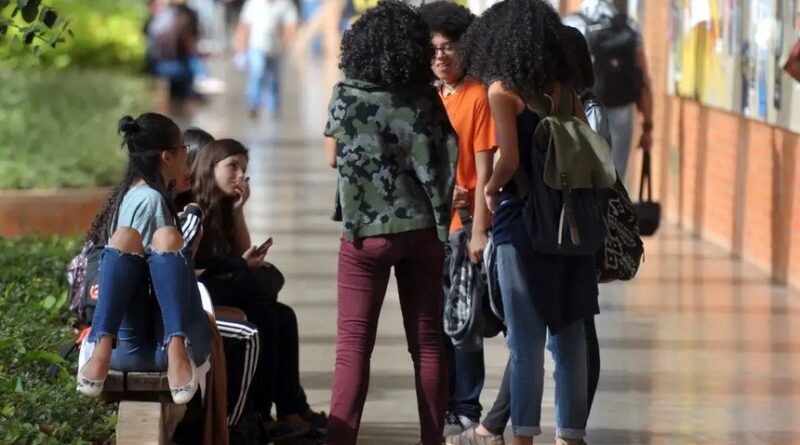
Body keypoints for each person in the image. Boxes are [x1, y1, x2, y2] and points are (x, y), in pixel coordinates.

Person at [446, 24, 606, 445]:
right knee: (571, 337)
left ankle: (523, 438)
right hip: (570, 225)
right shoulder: (563, 90)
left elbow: (511, 159)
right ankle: (570, 436)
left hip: (523, 226)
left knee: (526, 344)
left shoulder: (502, 90)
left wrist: (490, 187)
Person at [322, 1, 458, 443]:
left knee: (354, 346)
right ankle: (432, 438)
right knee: (427, 343)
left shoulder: (346, 95)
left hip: (366, 235)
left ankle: (340, 439)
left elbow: (332, 158)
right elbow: (444, 157)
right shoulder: (426, 98)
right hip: (422, 230)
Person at [190, 139, 327, 442]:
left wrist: (239, 211)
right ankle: (261, 415)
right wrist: (238, 266)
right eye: (232, 167)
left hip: (222, 289)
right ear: (209, 168)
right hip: (201, 296)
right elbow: (188, 269)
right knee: (264, 317)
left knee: (284, 316)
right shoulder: (193, 210)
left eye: (244, 169)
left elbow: (241, 252)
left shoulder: (224, 208)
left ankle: (291, 409)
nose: (240, 175)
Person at [76, 113, 212, 407]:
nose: (186, 159)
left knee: (129, 238)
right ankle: (175, 347)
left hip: (126, 348)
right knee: (166, 240)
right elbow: (154, 280)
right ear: (167, 156)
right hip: (156, 340)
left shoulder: (129, 194)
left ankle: (101, 348)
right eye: (183, 150)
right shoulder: (150, 201)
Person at [417, 0, 497, 438]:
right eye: (433, 49)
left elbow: (485, 172)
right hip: (427, 228)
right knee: (433, 322)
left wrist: (479, 230)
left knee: (464, 322)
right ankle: (443, 404)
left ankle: (466, 404)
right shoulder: (425, 96)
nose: (442, 56)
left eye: (449, 47)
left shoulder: (479, 95)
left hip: (463, 226)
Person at [563, 0, 654, 181]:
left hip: (582, 108)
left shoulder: (571, 24)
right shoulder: (629, 26)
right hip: (621, 110)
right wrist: (647, 125)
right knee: (615, 174)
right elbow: (644, 80)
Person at [234, 0, 299, 119]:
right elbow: (244, 25)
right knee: (257, 73)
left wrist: (287, 42)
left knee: (273, 78)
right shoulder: (253, 3)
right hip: (256, 45)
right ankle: (253, 104)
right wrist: (241, 49)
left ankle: (274, 108)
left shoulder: (284, 4)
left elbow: (291, 24)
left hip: (275, 47)